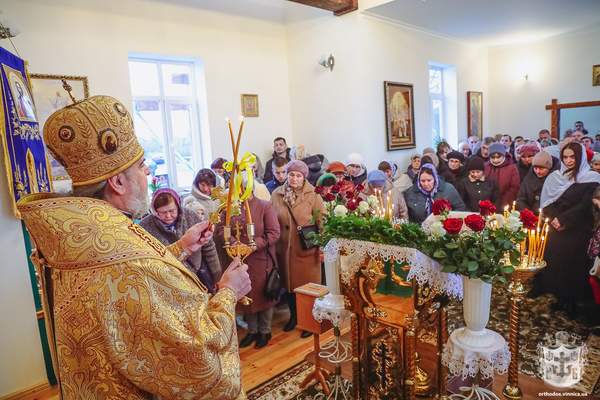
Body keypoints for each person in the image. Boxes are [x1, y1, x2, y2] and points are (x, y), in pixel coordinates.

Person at [17, 95, 251, 399]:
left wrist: (180, 246)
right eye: (142, 168)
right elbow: (198, 357)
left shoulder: (85, 235)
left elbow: (132, 289)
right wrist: (228, 292)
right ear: (117, 181)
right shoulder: (123, 254)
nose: (148, 175)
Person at [530, 142, 600, 318]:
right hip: (556, 228)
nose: (568, 161)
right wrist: (553, 218)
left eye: (572, 157)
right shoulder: (556, 176)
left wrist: (563, 219)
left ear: (581, 157)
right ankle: (560, 297)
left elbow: (584, 205)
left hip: (577, 228)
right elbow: (548, 202)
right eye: (565, 157)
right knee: (556, 264)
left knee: (572, 267)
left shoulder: (590, 177)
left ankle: (571, 301)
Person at [215, 182, 280, 349]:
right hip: (238, 260)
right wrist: (232, 243)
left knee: (262, 296)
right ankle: (252, 331)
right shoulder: (230, 208)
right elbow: (222, 229)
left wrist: (253, 245)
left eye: (242, 189)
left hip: (260, 259)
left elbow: (274, 233)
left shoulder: (264, 206)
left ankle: (264, 331)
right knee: (246, 295)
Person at [271, 160, 325, 338]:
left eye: (298, 175)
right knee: (289, 288)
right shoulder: (277, 194)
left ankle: (309, 322)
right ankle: (294, 318)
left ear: (304, 177)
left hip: (306, 250)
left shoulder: (313, 195)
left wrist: (323, 245)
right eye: (291, 174)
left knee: (307, 288)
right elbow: (272, 219)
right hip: (284, 250)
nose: (294, 179)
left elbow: (322, 222)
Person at [141, 188, 221, 293]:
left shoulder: (190, 216)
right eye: (163, 212)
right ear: (155, 211)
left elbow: (208, 247)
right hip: (168, 282)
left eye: (172, 211)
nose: (168, 216)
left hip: (197, 275)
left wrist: (217, 275)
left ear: (178, 206)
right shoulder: (145, 226)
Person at [484, 143, 520, 208]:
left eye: (498, 157)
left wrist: (503, 202)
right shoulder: (486, 166)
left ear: (504, 155)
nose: (495, 160)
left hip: (505, 203)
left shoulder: (512, 168)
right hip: (488, 203)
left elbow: (514, 187)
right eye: (493, 157)